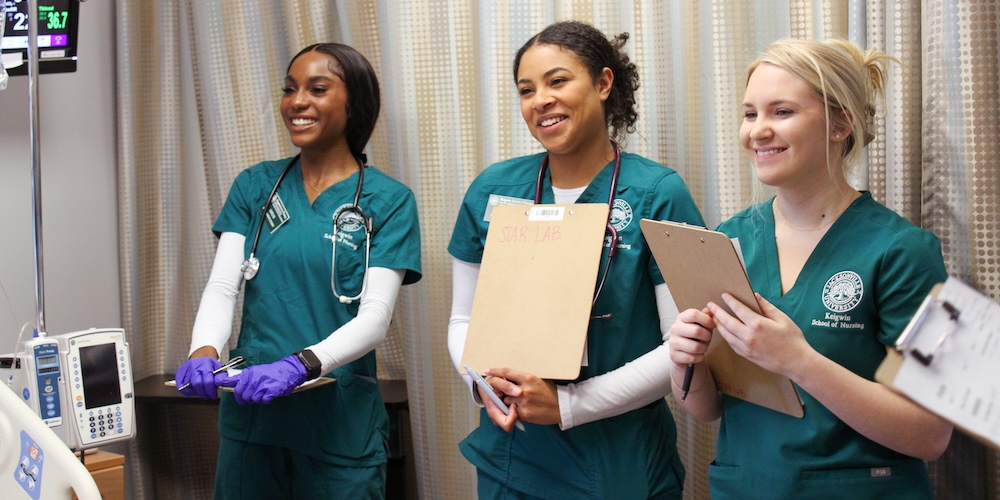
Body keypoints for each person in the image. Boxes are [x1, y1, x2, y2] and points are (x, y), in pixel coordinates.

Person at [667, 38, 953, 498]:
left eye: (781, 112)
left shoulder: (905, 252)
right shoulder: (728, 239)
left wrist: (799, 361)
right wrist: (687, 360)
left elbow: (931, 435)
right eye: (749, 113)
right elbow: (709, 409)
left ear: (841, 123)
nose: (757, 131)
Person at [448, 21, 704, 499]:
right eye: (527, 89)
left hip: (618, 459)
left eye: (557, 81)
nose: (540, 99)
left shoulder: (657, 194)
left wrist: (569, 406)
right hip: (514, 453)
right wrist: (481, 379)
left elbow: (681, 347)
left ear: (604, 84)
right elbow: (464, 318)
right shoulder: (493, 190)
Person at [174, 43, 421, 499]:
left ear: (355, 104)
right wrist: (203, 348)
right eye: (290, 89)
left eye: (318, 88)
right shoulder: (256, 186)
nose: (297, 101)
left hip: (339, 428)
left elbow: (375, 318)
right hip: (253, 424)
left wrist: (300, 365)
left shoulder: (388, 201)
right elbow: (223, 286)